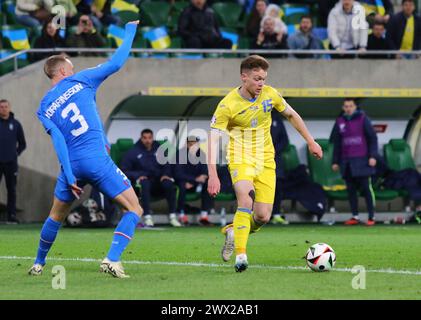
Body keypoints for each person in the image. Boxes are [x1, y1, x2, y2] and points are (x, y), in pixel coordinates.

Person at [28, 21, 142, 279]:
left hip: (72, 165)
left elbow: (57, 138)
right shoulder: (81, 80)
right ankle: (112, 259)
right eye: (71, 65)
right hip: (96, 160)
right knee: (134, 209)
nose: (74, 68)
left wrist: (69, 175)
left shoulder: (44, 105)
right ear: (64, 72)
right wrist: (129, 32)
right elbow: (115, 63)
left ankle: (38, 263)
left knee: (55, 216)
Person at [207, 55, 323, 272]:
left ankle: (234, 230)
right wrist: (213, 174)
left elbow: (291, 114)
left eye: (263, 79)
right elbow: (212, 140)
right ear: (244, 77)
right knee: (245, 198)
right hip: (240, 157)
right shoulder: (227, 105)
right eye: (257, 78)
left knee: (262, 216)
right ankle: (241, 255)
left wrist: (311, 141)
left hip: (266, 160)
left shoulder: (270, 94)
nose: (261, 83)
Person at [330, 98, 378, 226]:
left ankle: (371, 217)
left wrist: (373, 156)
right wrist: (335, 161)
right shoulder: (340, 121)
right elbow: (337, 143)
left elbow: (372, 138)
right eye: (346, 106)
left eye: (350, 106)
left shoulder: (363, 119)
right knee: (351, 191)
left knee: (367, 189)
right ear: (343, 107)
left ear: (355, 107)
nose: (348, 108)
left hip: (362, 161)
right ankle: (355, 216)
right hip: (346, 162)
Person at [120, 129, 181, 228]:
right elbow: (124, 170)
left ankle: (172, 216)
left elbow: (167, 165)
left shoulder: (160, 150)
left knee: (168, 183)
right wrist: (138, 175)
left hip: (159, 181)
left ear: (152, 138)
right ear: (141, 138)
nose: (147, 140)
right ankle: (147, 217)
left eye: (149, 138)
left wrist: (166, 174)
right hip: (144, 182)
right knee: (144, 183)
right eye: (145, 138)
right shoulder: (133, 152)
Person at [174, 136, 213, 226]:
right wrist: (193, 180)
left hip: (196, 183)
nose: (193, 147)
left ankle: (204, 216)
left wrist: (195, 181)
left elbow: (204, 172)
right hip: (184, 182)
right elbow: (178, 173)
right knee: (182, 185)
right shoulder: (179, 154)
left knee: (208, 184)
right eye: (190, 144)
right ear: (186, 144)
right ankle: (181, 215)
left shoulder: (202, 154)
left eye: (195, 145)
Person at [0, 99, 26, 224]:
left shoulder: (15, 124)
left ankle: (11, 215)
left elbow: (22, 144)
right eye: (1, 107)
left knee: (11, 189)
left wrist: (15, 154)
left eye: (5, 106)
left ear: (9, 108)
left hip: (11, 163)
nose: (3, 109)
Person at [270, 109, 289, 225]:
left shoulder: (277, 119)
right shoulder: (254, 115)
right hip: (257, 158)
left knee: (277, 186)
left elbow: (285, 140)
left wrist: (273, 151)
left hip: (274, 158)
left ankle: (276, 214)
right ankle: (255, 214)